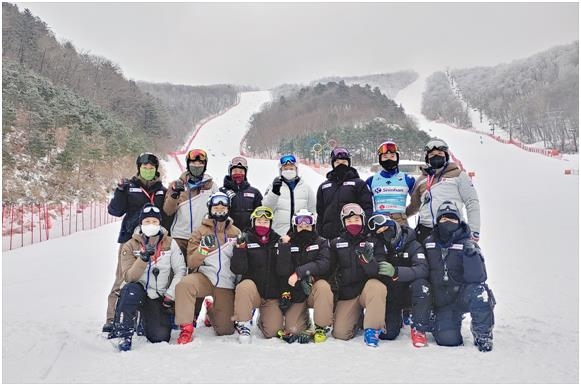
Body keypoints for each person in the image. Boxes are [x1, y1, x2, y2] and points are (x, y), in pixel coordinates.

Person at [103, 152, 167, 334]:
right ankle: (112, 318)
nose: (148, 170)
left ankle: (145, 318)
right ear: (139, 168)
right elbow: (115, 210)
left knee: (152, 279)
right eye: (144, 168)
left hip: (154, 240)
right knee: (123, 278)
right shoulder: (130, 187)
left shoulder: (162, 190)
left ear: (156, 170)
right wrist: (120, 191)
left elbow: (168, 214)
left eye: (151, 168)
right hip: (130, 239)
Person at [113, 204, 186, 351]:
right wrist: (143, 259)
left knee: (160, 336)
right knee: (130, 291)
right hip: (138, 290)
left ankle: (144, 321)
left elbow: (180, 270)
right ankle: (125, 333)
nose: (151, 225)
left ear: (160, 224)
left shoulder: (170, 243)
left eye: (155, 222)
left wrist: (170, 295)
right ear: (141, 224)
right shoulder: (130, 245)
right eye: (147, 222)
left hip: (157, 295)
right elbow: (128, 277)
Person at [425, 201, 495, 352]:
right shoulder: (428, 243)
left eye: (452, 219)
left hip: (462, 296)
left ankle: (482, 334)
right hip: (442, 301)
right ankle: (439, 321)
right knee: (448, 341)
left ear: (459, 221)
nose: (447, 222)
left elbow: (479, 278)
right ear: (437, 222)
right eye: (443, 219)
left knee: (480, 293)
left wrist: (471, 256)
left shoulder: (468, 243)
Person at [174, 192, 241, 344]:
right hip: (204, 277)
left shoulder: (235, 232)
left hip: (225, 281)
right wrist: (203, 249)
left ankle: (211, 311)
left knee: (225, 330)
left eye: (223, 206)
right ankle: (186, 327)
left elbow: (241, 261)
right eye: (215, 207)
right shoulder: (200, 231)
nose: (219, 209)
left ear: (228, 209)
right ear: (210, 209)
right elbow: (191, 263)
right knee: (185, 285)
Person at [164, 148, 219, 324]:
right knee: (176, 274)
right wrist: (174, 195)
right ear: (188, 165)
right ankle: (173, 313)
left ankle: (193, 314)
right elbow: (167, 210)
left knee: (197, 275)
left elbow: (219, 206)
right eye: (193, 163)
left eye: (200, 163)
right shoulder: (177, 184)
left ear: (204, 165)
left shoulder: (211, 186)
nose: (196, 166)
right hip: (180, 236)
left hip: (200, 236)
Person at [366, 213, 431, 347]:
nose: (384, 233)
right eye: (380, 232)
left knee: (422, 285)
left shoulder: (412, 243)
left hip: (411, 291)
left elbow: (422, 269)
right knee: (389, 334)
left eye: (386, 228)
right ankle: (397, 318)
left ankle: (418, 328)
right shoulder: (382, 248)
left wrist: (397, 272)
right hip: (393, 294)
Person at [328, 203, 387, 347]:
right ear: (343, 223)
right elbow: (329, 270)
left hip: (367, 291)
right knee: (340, 334)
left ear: (362, 220)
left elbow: (378, 272)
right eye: (348, 221)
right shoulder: (336, 243)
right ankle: (357, 317)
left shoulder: (373, 241)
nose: (353, 223)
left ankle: (372, 328)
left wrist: (368, 261)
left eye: (356, 220)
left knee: (377, 286)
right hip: (348, 294)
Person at [406, 138, 480, 243]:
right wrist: (398, 216)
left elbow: (472, 202)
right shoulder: (422, 179)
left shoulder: (458, 175)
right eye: (432, 155)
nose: (436, 156)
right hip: (425, 231)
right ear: (427, 159)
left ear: (446, 156)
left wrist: (474, 230)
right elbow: (414, 206)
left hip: (452, 229)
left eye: (440, 153)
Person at [276, 209, 333, 344]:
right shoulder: (288, 243)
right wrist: (284, 247)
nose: (303, 229)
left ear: (313, 226)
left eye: (307, 226)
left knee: (323, 287)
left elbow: (324, 264)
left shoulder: (321, 242)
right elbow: (282, 270)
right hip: (297, 292)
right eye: (300, 227)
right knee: (293, 329)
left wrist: (300, 273)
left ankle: (321, 326)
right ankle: (305, 321)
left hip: (315, 289)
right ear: (294, 226)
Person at [230, 206, 284, 343]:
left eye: (265, 222)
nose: (262, 225)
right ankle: (244, 324)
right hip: (252, 293)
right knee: (244, 286)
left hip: (271, 295)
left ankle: (263, 319)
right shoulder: (245, 239)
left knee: (272, 332)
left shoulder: (278, 241)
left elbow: (283, 269)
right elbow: (238, 269)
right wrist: (240, 251)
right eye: (259, 221)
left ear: (271, 223)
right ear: (253, 222)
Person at [316, 147, 373, 240]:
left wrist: (364, 231)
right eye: (337, 163)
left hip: (352, 236)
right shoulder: (324, 186)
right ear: (333, 164)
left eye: (344, 163)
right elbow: (320, 214)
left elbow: (367, 209)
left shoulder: (358, 184)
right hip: (329, 236)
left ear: (349, 163)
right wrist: (319, 236)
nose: (340, 165)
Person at [263, 154, 316, 236]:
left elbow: (313, 211)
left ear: (296, 170)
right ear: (280, 171)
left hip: (301, 234)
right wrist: (274, 192)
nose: (288, 171)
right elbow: (266, 210)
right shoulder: (273, 187)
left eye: (291, 168)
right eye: (285, 169)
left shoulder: (306, 188)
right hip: (279, 234)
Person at [366, 141, 415, 226]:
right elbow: (365, 204)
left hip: (401, 222)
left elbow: (417, 201)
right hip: (380, 222)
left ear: (397, 158)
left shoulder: (408, 179)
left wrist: (405, 214)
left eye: (392, 156)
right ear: (380, 159)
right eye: (385, 157)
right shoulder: (371, 180)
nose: (389, 159)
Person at [219, 156, 263, 232]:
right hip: (228, 234)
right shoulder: (221, 192)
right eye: (235, 171)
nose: (238, 174)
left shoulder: (255, 192)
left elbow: (261, 215)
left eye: (241, 171)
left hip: (249, 235)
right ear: (230, 173)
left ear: (245, 173)